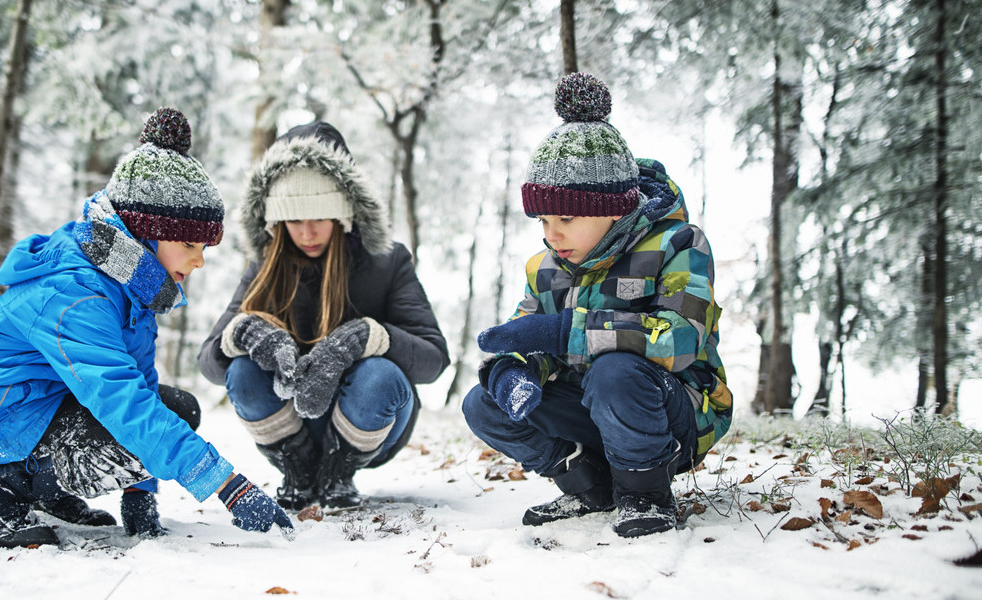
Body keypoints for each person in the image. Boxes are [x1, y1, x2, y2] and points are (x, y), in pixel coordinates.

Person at [0, 107, 294, 548]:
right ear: (144, 233)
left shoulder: (130, 284)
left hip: (54, 398)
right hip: (2, 410)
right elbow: (120, 401)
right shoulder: (77, 294)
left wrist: (140, 494)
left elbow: (141, 388)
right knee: (135, 423)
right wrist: (228, 487)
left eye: (204, 246)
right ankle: (2, 483)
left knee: (178, 408)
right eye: (189, 244)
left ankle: (45, 486)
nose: (199, 260)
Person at [462, 73, 733, 538]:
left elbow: (682, 337)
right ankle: (589, 483)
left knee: (616, 373)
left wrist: (566, 331)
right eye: (544, 218)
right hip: (593, 408)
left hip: (674, 411)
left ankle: (644, 491)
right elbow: (526, 333)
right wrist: (512, 370)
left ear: (613, 207)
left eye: (566, 217)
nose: (552, 233)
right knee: (484, 404)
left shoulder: (678, 244)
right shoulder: (545, 267)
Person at [199, 121, 449, 510]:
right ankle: (298, 471)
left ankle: (338, 472)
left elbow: (433, 361)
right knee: (241, 370)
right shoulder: (265, 265)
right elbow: (210, 365)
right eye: (294, 219)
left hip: (366, 418)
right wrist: (244, 334)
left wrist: (369, 337)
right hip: (290, 422)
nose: (308, 231)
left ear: (344, 212)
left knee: (379, 376)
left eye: (320, 216)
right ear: (277, 221)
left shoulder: (387, 261)